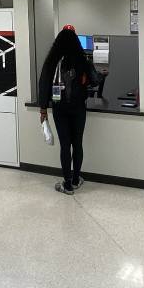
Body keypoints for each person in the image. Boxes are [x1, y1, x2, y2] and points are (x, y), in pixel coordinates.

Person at [38, 25, 107, 195]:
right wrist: (102, 75)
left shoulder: (51, 61)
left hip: (59, 108)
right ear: (76, 42)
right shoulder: (82, 60)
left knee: (64, 146)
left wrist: (43, 110)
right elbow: (94, 80)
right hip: (78, 109)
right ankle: (76, 180)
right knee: (77, 144)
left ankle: (67, 184)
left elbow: (44, 84)